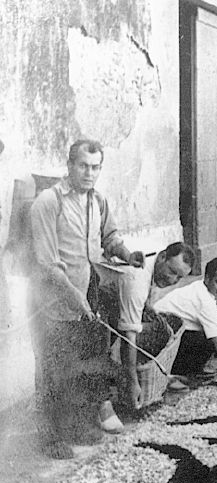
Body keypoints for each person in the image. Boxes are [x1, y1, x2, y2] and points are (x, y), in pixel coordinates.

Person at [28, 139, 146, 458]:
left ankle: (78, 424)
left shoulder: (98, 200)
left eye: (95, 167)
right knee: (53, 369)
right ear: (69, 165)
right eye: (83, 166)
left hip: (87, 291)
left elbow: (109, 237)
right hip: (52, 298)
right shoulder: (48, 203)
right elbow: (48, 263)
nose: (89, 173)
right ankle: (51, 437)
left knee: (83, 364)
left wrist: (126, 253)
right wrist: (76, 298)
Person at [93, 242, 195, 409]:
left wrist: (147, 307)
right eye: (171, 271)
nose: (172, 280)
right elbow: (129, 339)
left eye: (178, 277)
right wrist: (132, 382)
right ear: (162, 257)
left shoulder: (151, 265)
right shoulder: (137, 281)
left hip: (109, 304)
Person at [153, 258, 217, 376]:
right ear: (207, 278)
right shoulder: (205, 301)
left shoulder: (200, 287)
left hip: (161, 330)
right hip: (159, 343)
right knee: (209, 342)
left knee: (210, 332)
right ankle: (184, 371)